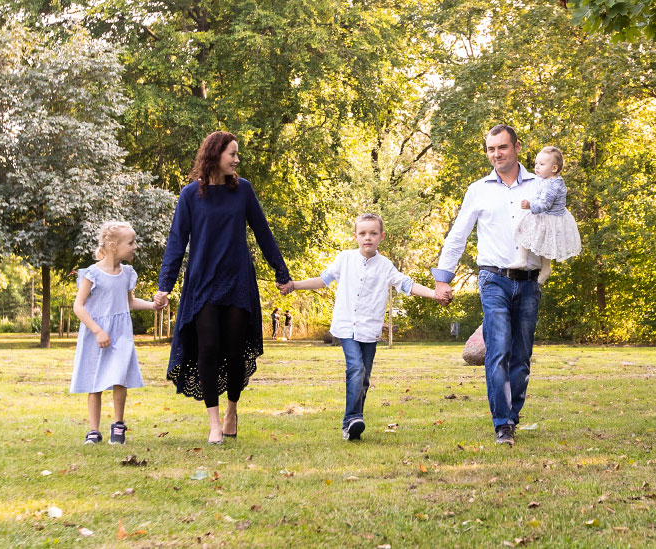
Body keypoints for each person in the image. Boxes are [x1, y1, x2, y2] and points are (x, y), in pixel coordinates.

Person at [154, 131, 291, 444]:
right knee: (209, 348)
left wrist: (281, 273)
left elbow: (263, 233)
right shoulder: (190, 195)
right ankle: (214, 422)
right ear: (215, 154)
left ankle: (232, 409)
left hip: (237, 281)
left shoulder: (242, 190)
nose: (237, 159)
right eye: (232, 153)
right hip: (202, 283)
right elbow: (176, 243)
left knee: (233, 348)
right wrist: (165, 285)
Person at [280, 213, 439, 440]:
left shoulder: (385, 266)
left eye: (373, 233)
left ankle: (352, 424)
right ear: (355, 236)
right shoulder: (344, 259)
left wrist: (435, 294)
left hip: (370, 330)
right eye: (363, 233)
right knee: (355, 368)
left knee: (364, 377)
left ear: (381, 236)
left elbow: (407, 284)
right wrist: (294, 285)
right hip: (347, 327)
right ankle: (352, 418)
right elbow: (322, 280)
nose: (368, 238)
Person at [432, 124, 542, 447]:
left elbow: (556, 223)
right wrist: (442, 277)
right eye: (491, 149)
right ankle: (502, 424)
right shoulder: (478, 189)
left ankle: (512, 414)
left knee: (521, 357)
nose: (496, 154)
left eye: (502, 148)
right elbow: (458, 234)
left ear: (517, 147)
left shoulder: (538, 187)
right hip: (492, 279)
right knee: (497, 352)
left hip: (530, 281)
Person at [70, 221, 163, 445]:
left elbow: (129, 302)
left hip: (121, 333)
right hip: (97, 334)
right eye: (131, 242)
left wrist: (153, 305)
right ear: (113, 245)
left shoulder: (127, 273)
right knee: (96, 380)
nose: (135, 246)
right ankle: (94, 430)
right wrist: (97, 330)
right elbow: (78, 306)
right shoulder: (92, 274)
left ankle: (118, 425)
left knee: (120, 376)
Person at [513, 146, 582, 284]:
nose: (537, 167)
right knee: (545, 243)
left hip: (549, 217)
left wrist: (530, 205)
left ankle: (524, 260)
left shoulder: (552, 185)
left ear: (554, 168)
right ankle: (544, 267)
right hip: (550, 216)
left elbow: (545, 204)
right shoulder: (547, 180)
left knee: (524, 228)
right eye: (536, 164)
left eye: (542, 164)